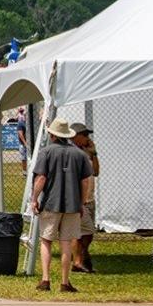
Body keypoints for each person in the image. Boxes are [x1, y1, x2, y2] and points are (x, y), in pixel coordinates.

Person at [32, 119, 92, 292]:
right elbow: (85, 181)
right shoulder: (79, 154)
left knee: (46, 240)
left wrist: (34, 198)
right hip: (73, 206)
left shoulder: (47, 152)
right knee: (66, 243)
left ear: (52, 134)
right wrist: (81, 202)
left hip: (51, 203)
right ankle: (65, 282)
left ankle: (45, 280)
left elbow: (41, 178)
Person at [71, 123, 100, 274]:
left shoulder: (86, 152)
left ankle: (82, 258)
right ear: (75, 136)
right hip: (79, 200)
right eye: (85, 135)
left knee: (88, 234)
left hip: (89, 199)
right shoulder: (73, 153)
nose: (88, 138)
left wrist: (93, 153)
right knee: (80, 232)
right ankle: (77, 262)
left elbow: (95, 172)